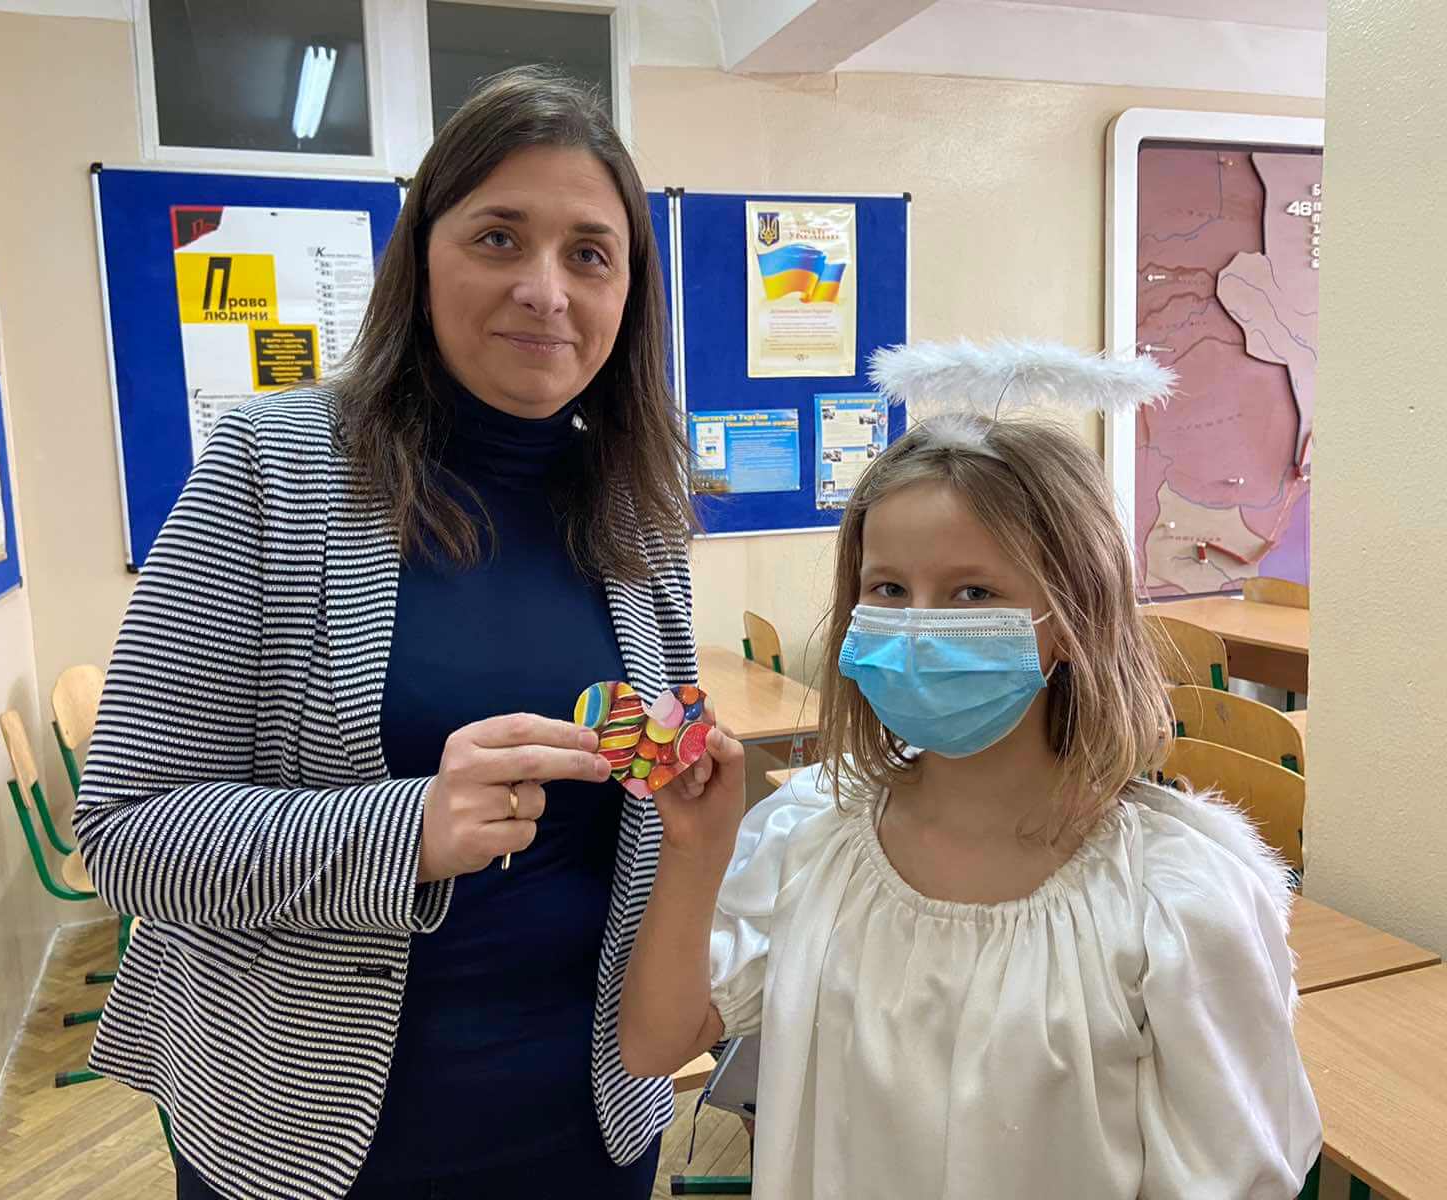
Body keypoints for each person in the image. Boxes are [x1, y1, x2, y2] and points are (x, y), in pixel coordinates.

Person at [74, 67, 696, 1200]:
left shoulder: (638, 509)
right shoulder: (271, 465)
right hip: (308, 1128)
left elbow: (654, 789)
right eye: (499, 238)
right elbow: (124, 830)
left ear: (629, 291)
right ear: (422, 256)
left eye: (589, 254)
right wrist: (406, 829)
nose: (545, 291)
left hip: (589, 1114)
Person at [619, 341, 1322, 1198]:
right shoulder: (811, 840)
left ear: (1071, 621)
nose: (919, 627)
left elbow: (1233, 1173)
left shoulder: (1173, 900)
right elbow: (657, 1044)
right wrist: (696, 850)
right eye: (888, 589)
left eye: (973, 594)